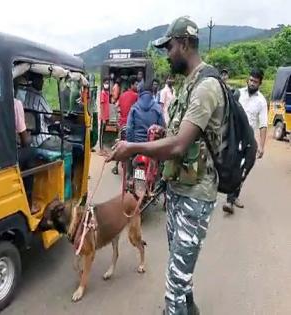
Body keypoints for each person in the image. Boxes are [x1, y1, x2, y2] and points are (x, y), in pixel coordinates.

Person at [107, 16, 225, 315]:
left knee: (174, 283)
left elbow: (178, 146)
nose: (166, 53)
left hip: (195, 196)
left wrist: (133, 147)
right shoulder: (189, 85)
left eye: (169, 47)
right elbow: (178, 136)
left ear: (184, 44)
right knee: (179, 268)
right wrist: (164, 133)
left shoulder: (206, 87)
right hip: (178, 190)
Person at [222, 68, 268, 214]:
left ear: (260, 83)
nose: (252, 83)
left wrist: (261, 145)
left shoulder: (261, 101)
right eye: (251, 80)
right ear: (247, 80)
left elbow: (263, 124)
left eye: (255, 81)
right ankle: (229, 201)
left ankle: (235, 195)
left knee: (247, 166)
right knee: (235, 166)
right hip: (234, 136)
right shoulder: (238, 94)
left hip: (249, 137)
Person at [112, 77, 138, 175]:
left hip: (122, 124)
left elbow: (117, 107)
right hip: (131, 126)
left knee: (120, 144)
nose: (137, 86)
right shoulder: (136, 96)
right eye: (136, 84)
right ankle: (131, 172)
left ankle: (116, 166)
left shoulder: (122, 96)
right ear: (131, 85)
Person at [99, 78, 110, 155]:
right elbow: (102, 106)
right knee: (102, 133)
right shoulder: (103, 93)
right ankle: (101, 149)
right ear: (103, 84)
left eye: (108, 83)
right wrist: (103, 117)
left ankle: (103, 149)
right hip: (103, 116)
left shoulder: (107, 93)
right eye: (105, 83)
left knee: (104, 133)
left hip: (106, 116)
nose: (107, 84)